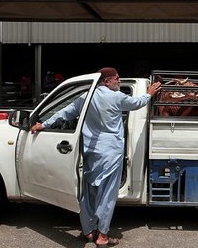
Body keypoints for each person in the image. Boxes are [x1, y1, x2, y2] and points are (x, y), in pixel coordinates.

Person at [30, 67, 161, 247]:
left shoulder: (86, 97)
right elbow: (137, 103)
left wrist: (43, 125)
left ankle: (89, 230)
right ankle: (103, 236)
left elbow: (65, 113)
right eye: (117, 78)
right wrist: (149, 94)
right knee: (107, 194)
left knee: (89, 192)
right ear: (107, 81)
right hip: (111, 153)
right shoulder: (117, 97)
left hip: (91, 151)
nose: (119, 81)